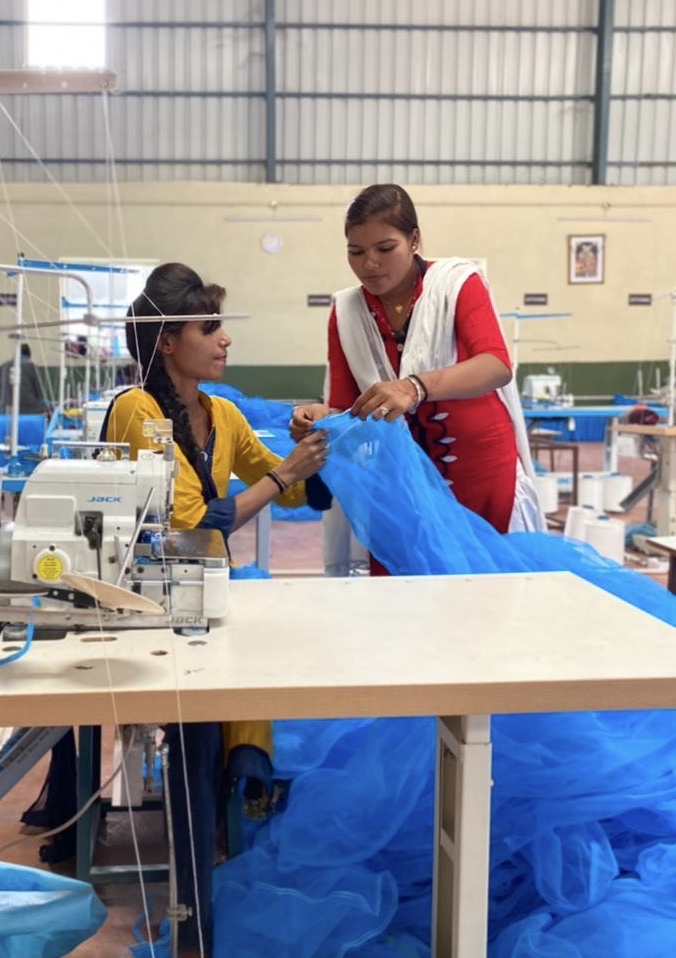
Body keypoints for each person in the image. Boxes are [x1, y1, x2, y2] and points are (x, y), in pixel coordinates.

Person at [104, 262, 328, 955]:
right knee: (195, 743)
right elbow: (190, 526)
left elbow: (288, 494)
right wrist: (284, 473)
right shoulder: (136, 412)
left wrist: (317, 444)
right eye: (210, 327)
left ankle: (212, 856)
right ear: (167, 341)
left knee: (224, 722)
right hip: (152, 607)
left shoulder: (223, 415)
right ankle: (193, 916)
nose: (225, 340)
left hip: (204, 600)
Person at [291, 183, 542, 575]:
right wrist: (316, 417)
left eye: (384, 248)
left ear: (414, 240)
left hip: (480, 471)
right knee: (402, 597)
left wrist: (415, 387)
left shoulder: (458, 284)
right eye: (356, 252)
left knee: (483, 592)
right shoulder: (347, 311)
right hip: (401, 481)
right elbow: (345, 405)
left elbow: (495, 364)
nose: (369, 263)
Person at [0, 342, 47, 415]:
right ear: (29, 355)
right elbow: (39, 390)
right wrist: (45, 403)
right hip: (29, 407)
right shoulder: (31, 366)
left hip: (6, 408)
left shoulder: (4, 366)